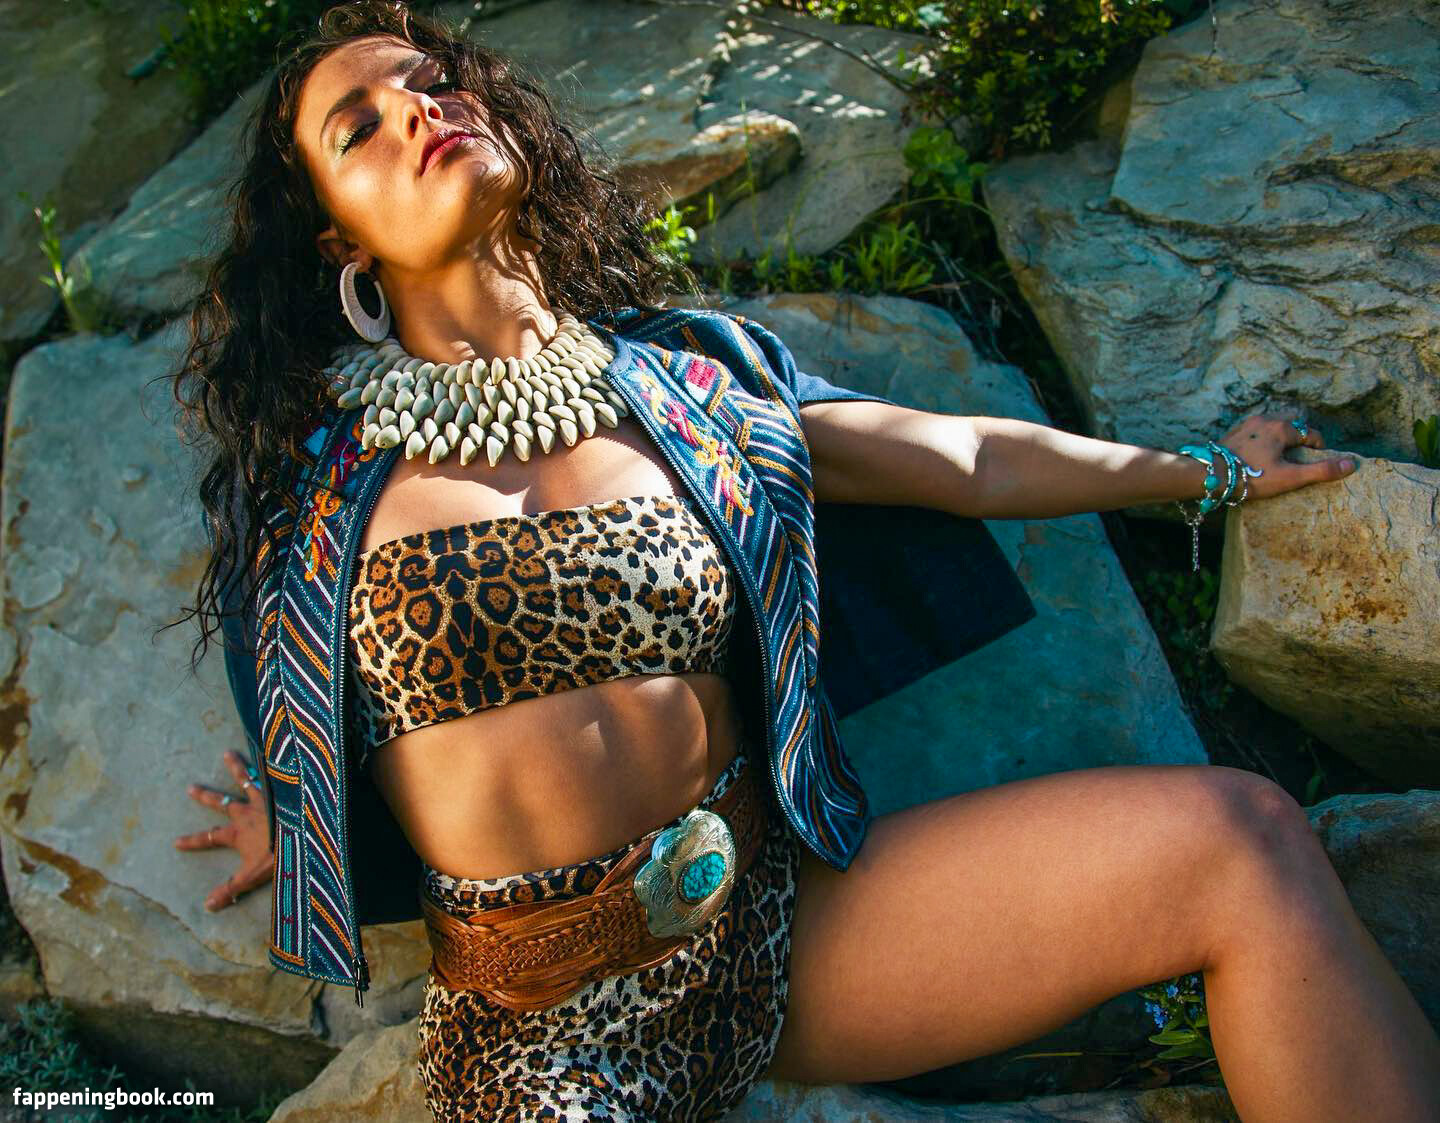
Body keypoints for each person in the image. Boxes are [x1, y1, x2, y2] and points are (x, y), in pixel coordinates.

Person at [168, 2, 1440, 1120]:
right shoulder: (319, 488)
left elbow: (963, 458)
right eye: (360, 127)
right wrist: (301, 812)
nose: (420, 111)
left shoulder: (688, 390)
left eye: (436, 82)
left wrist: (1206, 474)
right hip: (538, 1033)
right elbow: (306, 701)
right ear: (338, 242)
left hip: (779, 929)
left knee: (1246, 839)